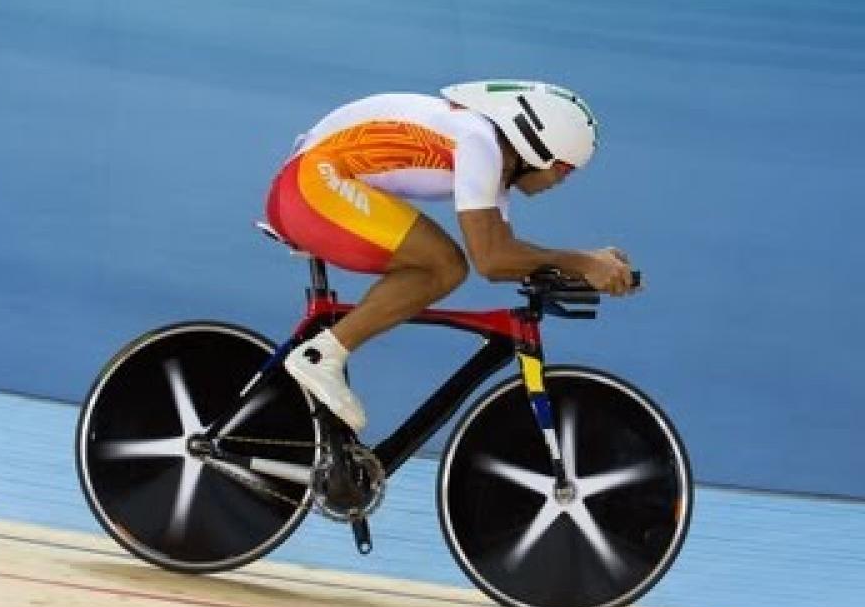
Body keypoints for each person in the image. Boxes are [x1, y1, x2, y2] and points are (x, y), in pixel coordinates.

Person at [264, 80, 636, 434]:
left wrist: (584, 267)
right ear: (537, 144)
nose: (561, 182)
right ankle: (322, 355)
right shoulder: (480, 141)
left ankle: (325, 364)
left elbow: (504, 258)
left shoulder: (491, 158)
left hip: (311, 183)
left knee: (444, 266)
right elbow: (490, 259)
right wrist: (583, 263)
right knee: (443, 265)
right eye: (564, 170)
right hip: (309, 184)